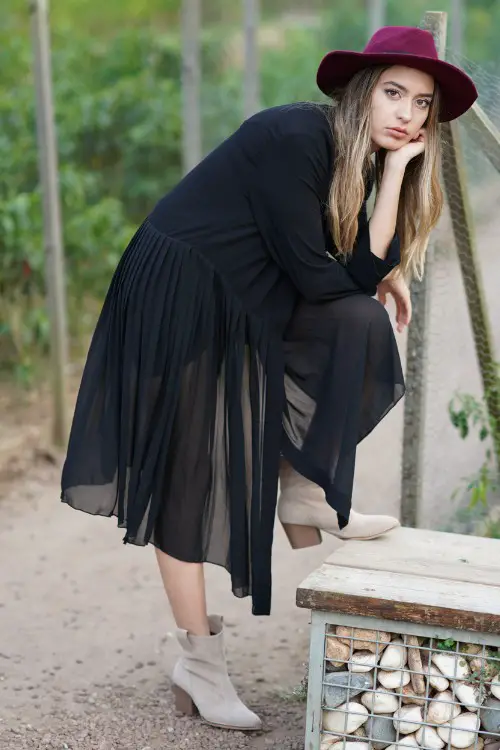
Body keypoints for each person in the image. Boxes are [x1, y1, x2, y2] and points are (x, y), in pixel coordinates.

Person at [60, 26, 477, 731]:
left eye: (423, 104)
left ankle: (302, 487)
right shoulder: (296, 138)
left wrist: (401, 180)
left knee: (361, 323)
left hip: (253, 295)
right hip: (186, 288)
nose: (407, 114)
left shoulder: (365, 163)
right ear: (359, 92)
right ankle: (198, 660)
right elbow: (326, 279)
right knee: (186, 478)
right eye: (393, 92)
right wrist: (375, 273)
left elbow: (352, 278)